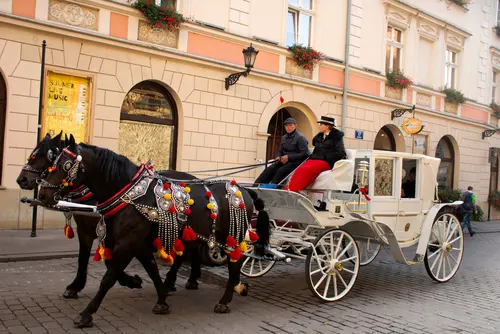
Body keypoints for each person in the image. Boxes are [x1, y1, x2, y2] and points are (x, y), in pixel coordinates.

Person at [286, 116, 346, 192]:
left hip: (327, 162)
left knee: (308, 169)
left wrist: (325, 157)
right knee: (301, 168)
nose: (319, 126)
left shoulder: (337, 137)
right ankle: (292, 188)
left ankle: (294, 189)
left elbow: (341, 153)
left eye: (321, 124)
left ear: (328, 126)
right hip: (316, 160)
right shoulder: (319, 137)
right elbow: (316, 151)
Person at [254, 117, 309, 186]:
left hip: (295, 163)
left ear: (295, 125)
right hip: (283, 161)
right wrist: (278, 157)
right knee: (269, 169)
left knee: (281, 171)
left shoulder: (301, 138)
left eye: (290, 125)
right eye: (286, 126)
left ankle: (272, 187)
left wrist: (289, 157)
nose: (288, 127)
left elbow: (305, 154)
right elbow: (280, 151)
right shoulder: (284, 137)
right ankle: (256, 186)